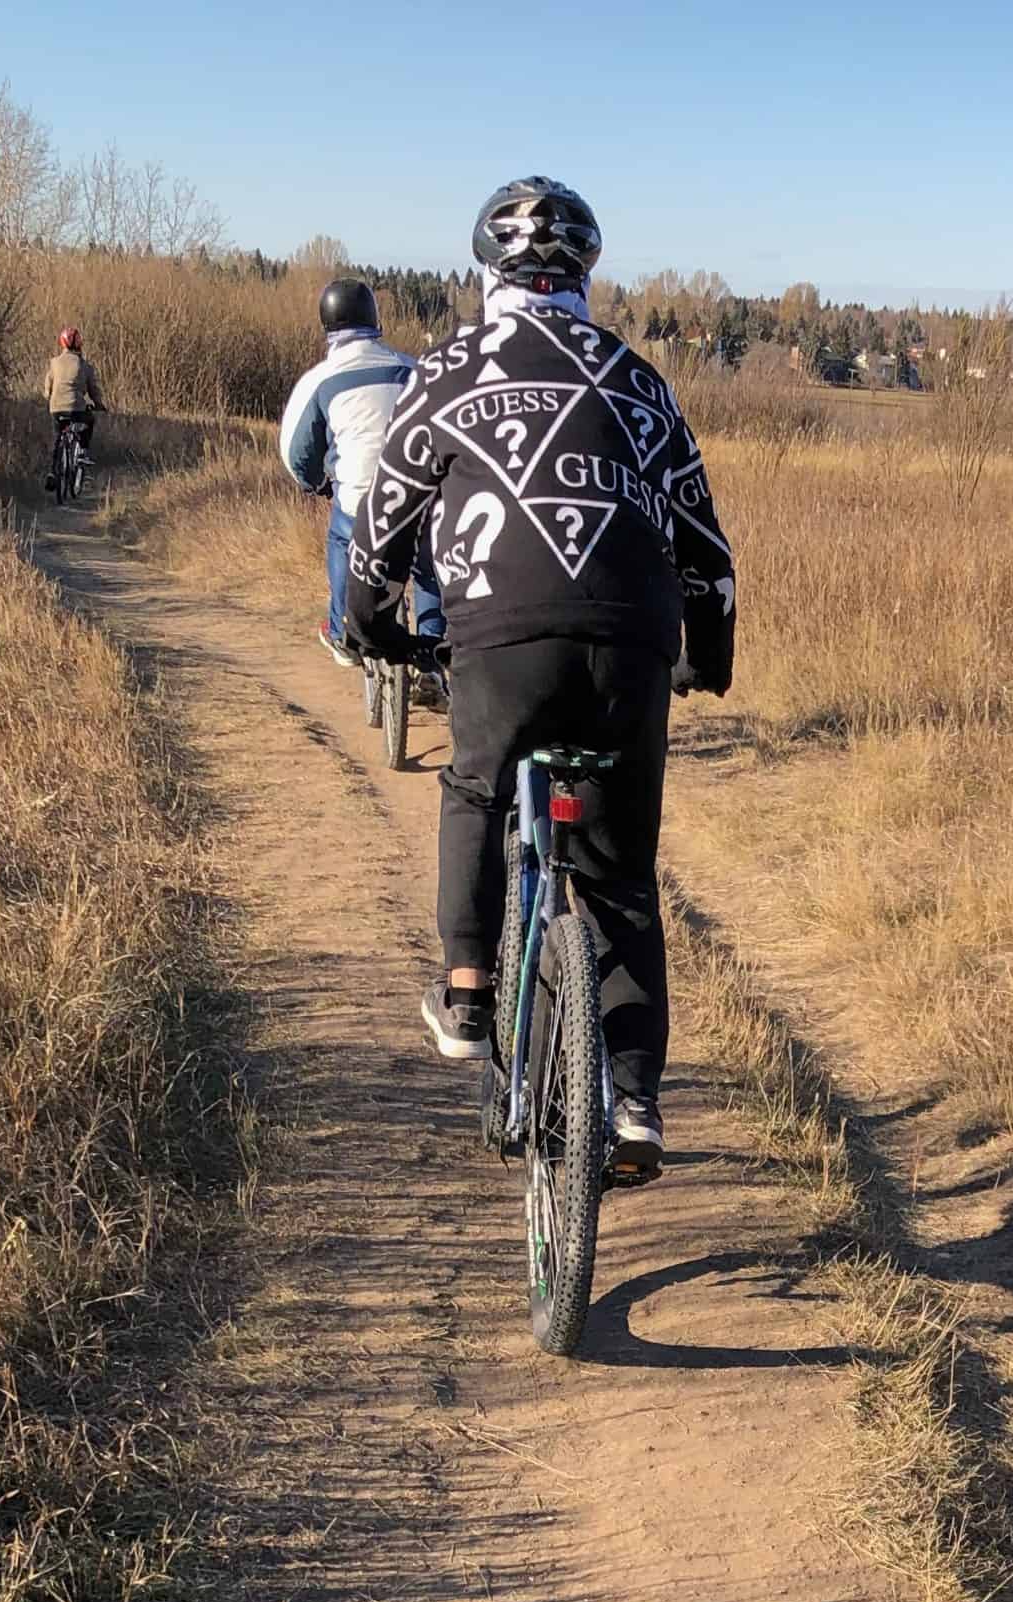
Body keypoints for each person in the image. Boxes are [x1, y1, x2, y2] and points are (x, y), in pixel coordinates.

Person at [345, 177, 735, 1180]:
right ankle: (637, 1100)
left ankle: (470, 988)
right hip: (629, 638)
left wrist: (369, 620)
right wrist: (709, 656)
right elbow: (705, 545)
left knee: (479, 783)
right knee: (622, 876)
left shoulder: (447, 368)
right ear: (585, 277)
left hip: (502, 630)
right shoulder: (638, 379)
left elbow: (384, 518)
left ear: (487, 274)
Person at [276, 279, 442, 673]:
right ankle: (434, 656)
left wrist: (315, 483)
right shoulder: (413, 368)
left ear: (326, 327)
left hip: (359, 499)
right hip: (419, 496)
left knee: (341, 539)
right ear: (375, 319)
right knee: (427, 566)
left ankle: (342, 633)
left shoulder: (320, 379)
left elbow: (295, 451)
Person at [44, 326, 106, 493]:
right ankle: (83, 453)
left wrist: (48, 398)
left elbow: (47, 388)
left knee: (57, 438)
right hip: (76, 409)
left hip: (56, 408)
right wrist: (99, 405)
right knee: (89, 421)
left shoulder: (54, 363)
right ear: (79, 345)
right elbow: (93, 390)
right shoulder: (85, 366)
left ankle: (52, 472)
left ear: (62, 344)